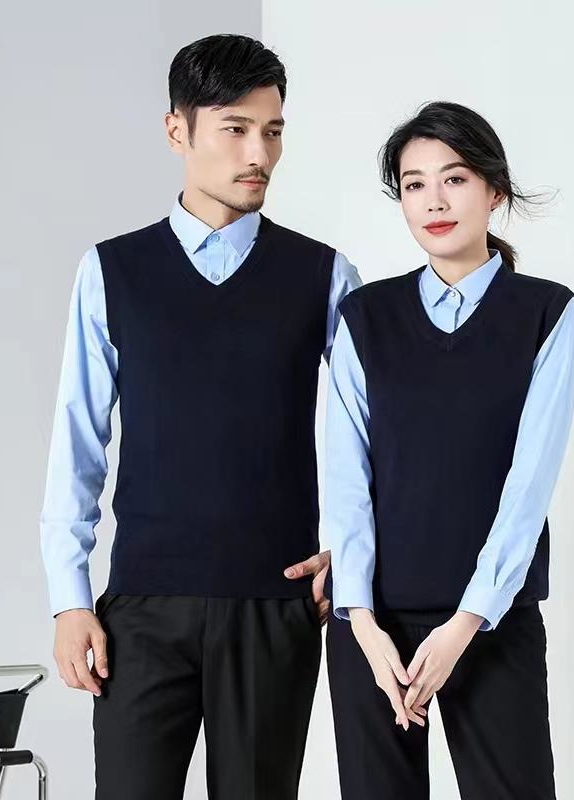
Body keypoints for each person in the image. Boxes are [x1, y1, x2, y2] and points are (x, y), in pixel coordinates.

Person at [40, 33, 360, 800]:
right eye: (235, 129)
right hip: (141, 610)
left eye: (273, 131)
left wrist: (353, 552)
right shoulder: (111, 271)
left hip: (273, 606)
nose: (259, 154)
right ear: (176, 130)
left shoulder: (324, 275)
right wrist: (69, 599)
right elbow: (77, 444)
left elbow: (371, 433)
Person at [324, 100, 574, 799]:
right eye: (414, 184)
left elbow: (527, 488)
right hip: (373, 631)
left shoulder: (545, 313)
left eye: (455, 179)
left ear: (494, 191)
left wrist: (466, 621)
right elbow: (345, 479)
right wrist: (361, 621)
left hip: (492, 625)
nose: (433, 201)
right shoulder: (364, 317)